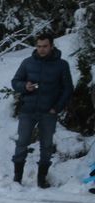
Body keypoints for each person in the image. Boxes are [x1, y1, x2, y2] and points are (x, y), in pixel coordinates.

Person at [10, 33, 74, 188]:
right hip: (28, 109)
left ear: (51, 46)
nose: (42, 49)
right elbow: (15, 81)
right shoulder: (28, 62)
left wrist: (56, 108)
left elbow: (68, 89)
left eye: (45, 46)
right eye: (39, 46)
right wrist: (25, 87)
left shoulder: (61, 65)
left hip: (48, 111)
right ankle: (17, 178)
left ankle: (41, 179)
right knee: (22, 142)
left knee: (46, 145)